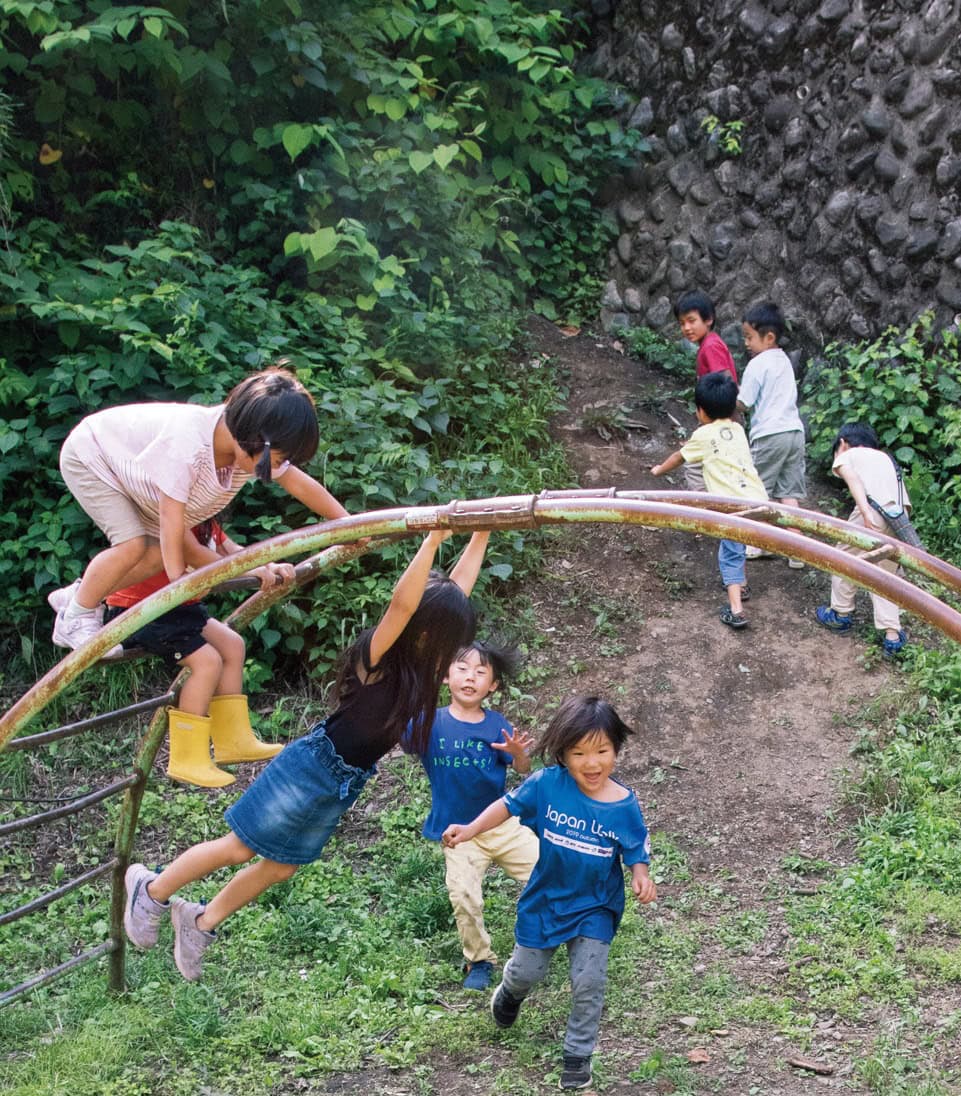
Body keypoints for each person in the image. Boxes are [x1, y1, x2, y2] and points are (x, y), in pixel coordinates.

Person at [123, 529, 489, 982]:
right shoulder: (380, 656)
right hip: (313, 765)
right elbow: (402, 605)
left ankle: (199, 922)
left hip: (344, 781)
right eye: (448, 637)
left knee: (282, 865)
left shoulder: (426, 667)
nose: (453, 651)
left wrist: (482, 532)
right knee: (239, 848)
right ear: (427, 630)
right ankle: (151, 889)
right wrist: (433, 538)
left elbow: (458, 591)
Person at [51, 364, 350, 653]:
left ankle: (79, 594)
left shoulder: (245, 450)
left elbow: (301, 485)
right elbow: (172, 522)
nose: (278, 471)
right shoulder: (189, 446)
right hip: (94, 456)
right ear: (256, 441)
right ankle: (75, 616)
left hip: (138, 480)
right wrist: (180, 580)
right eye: (278, 461)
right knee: (132, 545)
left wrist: (350, 525)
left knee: (154, 556)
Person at [443, 696, 655, 1092]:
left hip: (595, 905)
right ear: (562, 753)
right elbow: (507, 806)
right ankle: (510, 993)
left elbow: (634, 847)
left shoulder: (624, 805)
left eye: (602, 751)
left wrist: (641, 875)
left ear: (616, 749)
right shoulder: (547, 785)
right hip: (546, 899)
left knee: (588, 980)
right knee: (529, 971)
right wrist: (470, 829)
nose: (592, 764)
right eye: (579, 753)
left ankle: (577, 1055)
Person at [103, 516, 293, 788]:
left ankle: (232, 739)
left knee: (232, 644)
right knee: (207, 663)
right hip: (143, 611)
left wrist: (267, 565)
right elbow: (199, 556)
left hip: (178, 607)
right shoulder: (175, 519)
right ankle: (187, 758)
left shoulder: (205, 520)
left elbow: (233, 551)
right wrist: (249, 571)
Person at [402, 639, 539, 991]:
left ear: (492, 685)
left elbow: (523, 771)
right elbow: (398, 736)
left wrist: (518, 753)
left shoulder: (496, 725)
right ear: (445, 676)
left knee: (546, 874)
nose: (470, 677)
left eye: (480, 672)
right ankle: (479, 960)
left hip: (502, 825)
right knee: (464, 896)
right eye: (461, 668)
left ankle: (561, 934)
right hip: (458, 833)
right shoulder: (428, 722)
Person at [651, 372, 767, 630]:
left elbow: (679, 458)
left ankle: (736, 609)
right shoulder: (738, 429)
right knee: (738, 545)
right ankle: (742, 584)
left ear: (701, 411)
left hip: (731, 505)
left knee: (730, 553)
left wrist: (659, 470)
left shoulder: (703, 435)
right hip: (759, 499)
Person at [815, 423, 909, 658]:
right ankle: (892, 636)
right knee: (885, 572)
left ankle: (840, 613)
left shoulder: (850, 454)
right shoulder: (886, 458)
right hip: (899, 516)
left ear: (843, 443)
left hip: (873, 510)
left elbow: (852, 478)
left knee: (843, 556)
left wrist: (865, 512)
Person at [736, 301, 807, 569]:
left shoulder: (758, 363)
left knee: (757, 488)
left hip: (769, 434)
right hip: (794, 433)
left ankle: (757, 543)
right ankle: (797, 549)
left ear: (769, 337)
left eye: (749, 337)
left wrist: (730, 399)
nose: (746, 343)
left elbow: (744, 402)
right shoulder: (785, 361)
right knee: (789, 492)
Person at [674, 289, 738, 384]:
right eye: (682, 323)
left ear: (708, 319)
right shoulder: (709, 343)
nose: (686, 328)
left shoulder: (711, 346)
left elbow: (726, 385)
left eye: (691, 321)